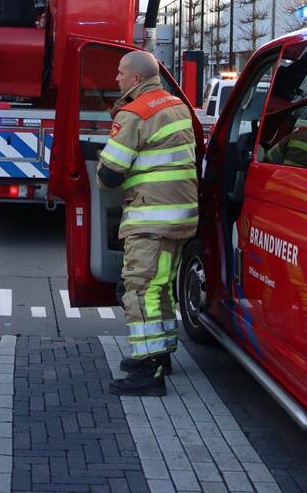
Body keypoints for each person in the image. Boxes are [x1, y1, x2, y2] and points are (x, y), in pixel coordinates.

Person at [97, 51, 199, 397]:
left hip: (150, 218)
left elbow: (110, 174)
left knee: (139, 290)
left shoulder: (135, 113)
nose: (116, 78)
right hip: (181, 215)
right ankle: (163, 352)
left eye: (121, 73)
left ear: (137, 79)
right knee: (162, 286)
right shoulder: (176, 105)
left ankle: (148, 369)